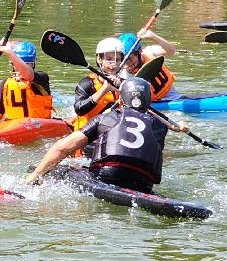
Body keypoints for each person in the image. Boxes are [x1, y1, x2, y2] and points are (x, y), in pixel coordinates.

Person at [28, 76, 168, 194]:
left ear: (120, 101)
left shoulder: (105, 118)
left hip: (105, 177)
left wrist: (36, 175)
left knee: (65, 167)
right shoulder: (161, 127)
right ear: (149, 102)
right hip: (143, 185)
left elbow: (62, 148)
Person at [0, 40, 54, 125]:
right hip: (14, 126)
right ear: (12, 64)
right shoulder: (6, 83)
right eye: (17, 64)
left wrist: (9, 52)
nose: (20, 68)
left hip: (40, 124)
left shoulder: (42, 78)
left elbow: (28, 75)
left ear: (33, 64)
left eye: (28, 64)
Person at [71, 37, 125, 130]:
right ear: (99, 59)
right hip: (87, 135)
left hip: (113, 133)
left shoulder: (125, 83)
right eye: (109, 59)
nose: (113, 64)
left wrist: (124, 89)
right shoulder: (87, 83)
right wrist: (104, 89)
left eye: (117, 59)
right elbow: (79, 110)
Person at [119, 30, 177, 101]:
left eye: (129, 58)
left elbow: (172, 50)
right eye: (123, 59)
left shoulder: (149, 52)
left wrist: (153, 36)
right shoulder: (122, 75)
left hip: (171, 93)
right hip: (151, 104)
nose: (126, 63)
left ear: (139, 52)